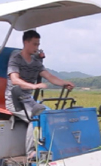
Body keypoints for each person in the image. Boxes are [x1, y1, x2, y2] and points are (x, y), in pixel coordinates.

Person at [5, 30, 74, 158]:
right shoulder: (16, 58)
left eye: (38, 44)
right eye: (34, 44)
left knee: (49, 114)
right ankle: (30, 152)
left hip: (29, 100)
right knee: (36, 117)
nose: (37, 47)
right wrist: (34, 86)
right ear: (26, 43)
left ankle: (52, 147)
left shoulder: (36, 62)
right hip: (14, 100)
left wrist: (64, 83)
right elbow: (14, 80)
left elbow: (50, 76)